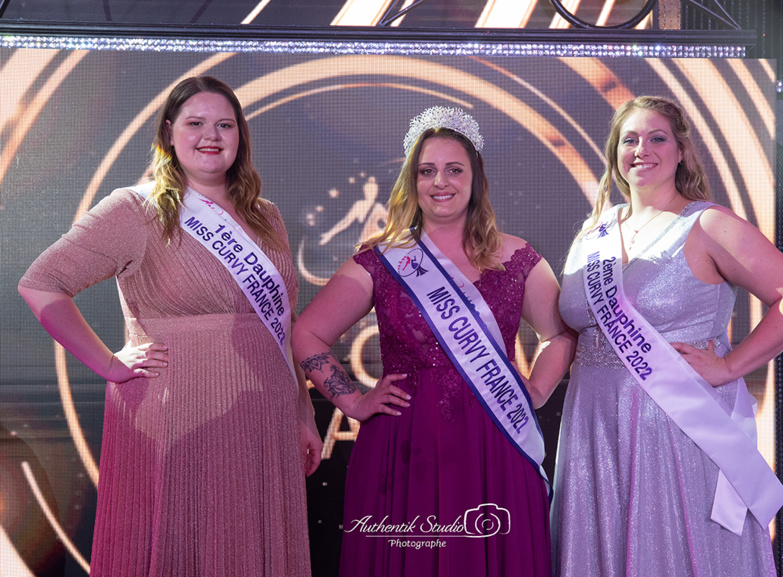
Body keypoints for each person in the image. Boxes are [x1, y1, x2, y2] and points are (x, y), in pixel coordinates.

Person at [18, 76, 321, 577]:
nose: (211, 135)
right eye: (195, 123)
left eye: (225, 124)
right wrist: (109, 364)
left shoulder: (266, 217)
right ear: (168, 133)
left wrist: (303, 412)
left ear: (240, 136)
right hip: (176, 413)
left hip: (262, 416)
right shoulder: (135, 209)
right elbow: (41, 284)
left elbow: (280, 325)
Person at [291, 106, 577, 577]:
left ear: (474, 179)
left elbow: (561, 333)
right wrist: (355, 402)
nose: (440, 182)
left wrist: (539, 390)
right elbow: (307, 333)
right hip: (405, 442)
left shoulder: (516, 255)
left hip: (495, 436)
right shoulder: (384, 259)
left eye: (453, 169)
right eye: (427, 171)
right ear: (412, 181)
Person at [548, 95, 783, 577]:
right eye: (629, 139)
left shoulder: (707, 222)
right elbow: (570, 327)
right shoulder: (593, 233)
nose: (642, 149)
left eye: (657, 138)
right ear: (614, 151)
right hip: (593, 422)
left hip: (673, 423)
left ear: (680, 151)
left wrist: (731, 365)